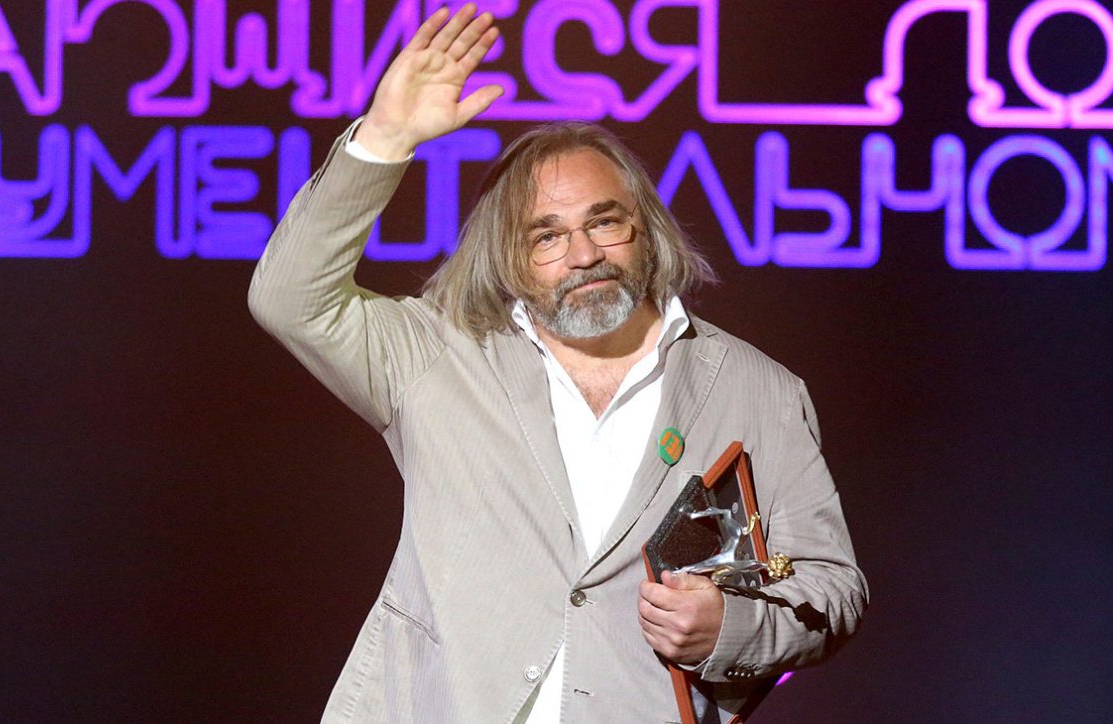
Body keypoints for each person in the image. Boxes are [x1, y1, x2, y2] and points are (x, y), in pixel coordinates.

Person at [249, 5, 866, 722]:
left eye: (604, 221)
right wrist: (384, 140)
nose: (583, 254)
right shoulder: (434, 354)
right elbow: (288, 299)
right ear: (509, 260)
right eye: (547, 236)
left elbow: (833, 588)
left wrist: (731, 627)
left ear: (645, 229)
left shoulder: (759, 390)